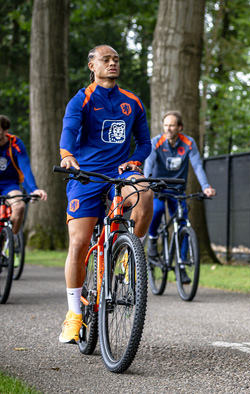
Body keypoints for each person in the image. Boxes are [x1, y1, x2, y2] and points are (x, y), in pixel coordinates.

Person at [58, 45, 152, 344]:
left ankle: (129, 254)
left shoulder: (132, 101)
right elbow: (70, 129)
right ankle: (74, 314)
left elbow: (145, 142)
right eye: (105, 60)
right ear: (92, 66)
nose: (112, 63)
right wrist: (67, 155)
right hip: (86, 174)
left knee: (145, 192)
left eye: (115, 60)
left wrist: (136, 160)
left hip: (120, 172)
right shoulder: (81, 99)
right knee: (79, 242)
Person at [144, 111, 216, 284]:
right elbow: (149, 164)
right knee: (158, 210)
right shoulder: (156, 142)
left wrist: (206, 187)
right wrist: (146, 183)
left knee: (183, 223)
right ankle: (153, 240)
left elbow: (197, 166)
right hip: (159, 188)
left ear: (180, 127)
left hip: (178, 190)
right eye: (166, 125)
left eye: (172, 125)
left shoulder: (188, 143)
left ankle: (181, 266)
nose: (168, 128)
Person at [0, 115, 47, 234]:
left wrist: (33, 189)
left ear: (5, 131)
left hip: (9, 185)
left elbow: (25, 167)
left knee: (19, 206)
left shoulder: (15, 143)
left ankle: (10, 242)